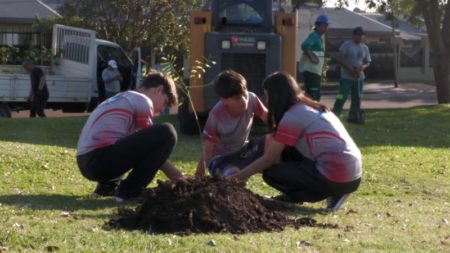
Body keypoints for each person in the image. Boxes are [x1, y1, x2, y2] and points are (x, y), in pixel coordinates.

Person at [231, 72, 362, 212]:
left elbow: (268, 159)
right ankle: (309, 194)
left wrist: (234, 180)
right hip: (353, 175)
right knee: (285, 155)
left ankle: (331, 193)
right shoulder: (310, 107)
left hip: (337, 178)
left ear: (276, 95)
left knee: (271, 173)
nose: (267, 100)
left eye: (267, 95)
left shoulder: (292, 117)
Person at [76, 72, 182, 202]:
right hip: (99, 159)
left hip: (85, 161)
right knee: (167, 132)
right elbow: (152, 147)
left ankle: (107, 188)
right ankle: (129, 192)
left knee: (130, 139)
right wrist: (178, 177)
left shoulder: (122, 97)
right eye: (165, 103)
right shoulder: (143, 100)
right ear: (159, 90)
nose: (160, 110)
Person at [195, 70, 268, 178]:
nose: (244, 100)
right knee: (231, 175)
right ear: (224, 100)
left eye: (244, 93)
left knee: (269, 142)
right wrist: (198, 175)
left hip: (243, 153)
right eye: (237, 98)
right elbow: (208, 150)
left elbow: (270, 121)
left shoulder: (252, 99)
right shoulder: (216, 115)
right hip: (221, 159)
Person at [333, 27, 371, 124]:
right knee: (342, 95)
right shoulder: (347, 45)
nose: (360, 37)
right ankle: (335, 114)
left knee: (357, 97)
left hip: (359, 77)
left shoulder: (365, 47)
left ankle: (353, 117)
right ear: (353, 35)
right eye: (358, 34)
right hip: (346, 76)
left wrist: (363, 67)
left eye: (361, 35)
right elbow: (340, 58)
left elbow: (367, 62)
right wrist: (350, 68)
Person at [299, 14, 330, 101]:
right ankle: (313, 112)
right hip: (312, 71)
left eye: (327, 26)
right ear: (318, 26)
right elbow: (305, 45)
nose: (326, 28)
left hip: (315, 71)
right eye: (325, 25)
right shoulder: (314, 36)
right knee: (314, 95)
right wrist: (312, 56)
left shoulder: (319, 38)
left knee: (310, 94)